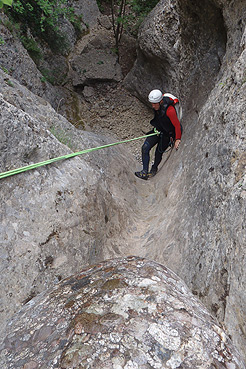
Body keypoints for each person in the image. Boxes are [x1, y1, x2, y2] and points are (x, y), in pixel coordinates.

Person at [135, 89, 182, 180]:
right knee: (145, 147)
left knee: (158, 152)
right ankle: (144, 172)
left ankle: (154, 168)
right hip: (157, 130)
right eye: (152, 103)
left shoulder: (170, 110)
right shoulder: (157, 106)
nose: (152, 106)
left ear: (160, 101)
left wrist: (177, 139)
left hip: (166, 135)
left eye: (154, 104)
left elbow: (177, 125)